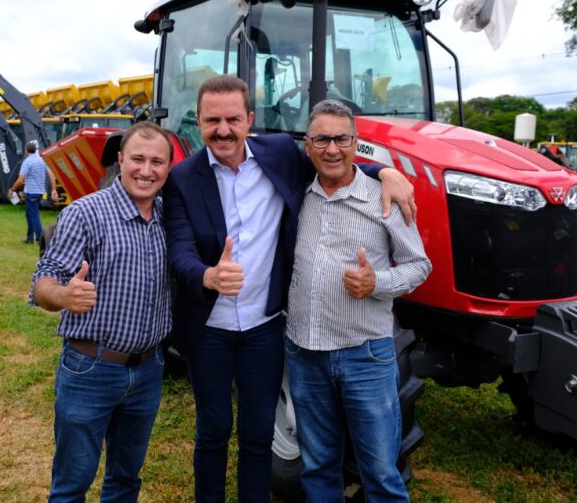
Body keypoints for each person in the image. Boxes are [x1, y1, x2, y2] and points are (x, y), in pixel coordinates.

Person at [162, 75, 416, 503]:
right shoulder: (182, 177)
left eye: (232, 119)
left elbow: (332, 160)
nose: (223, 130)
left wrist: (385, 171)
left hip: (263, 327)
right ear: (199, 121)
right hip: (209, 327)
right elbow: (179, 246)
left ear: (249, 119)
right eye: (212, 120)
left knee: (259, 433)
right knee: (213, 429)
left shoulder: (279, 153)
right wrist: (206, 276)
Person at [285, 100, 431, 502]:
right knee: (317, 468)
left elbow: (419, 265)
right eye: (322, 140)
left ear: (356, 143)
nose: (332, 149)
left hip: (365, 356)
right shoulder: (297, 196)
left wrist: (376, 282)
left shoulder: (383, 199)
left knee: (380, 473)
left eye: (341, 139)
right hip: (305, 354)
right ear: (308, 146)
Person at [29, 122, 173, 502]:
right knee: (71, 484)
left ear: (168, 168)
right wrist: (63, 295)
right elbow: (43, 281)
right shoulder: (86, 213)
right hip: (91, 368)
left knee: (125, 478)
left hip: (148, 369)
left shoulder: (170, 217)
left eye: (157, 162)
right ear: (120, 160)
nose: (146, 170)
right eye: (138, 159)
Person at [9, 141, 59, 244]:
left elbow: (20, 179)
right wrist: (54, 189)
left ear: (26, 150)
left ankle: (41, 239)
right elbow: (51, 174)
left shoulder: (27, 162)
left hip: (31, 192)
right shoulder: (42, 160)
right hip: (39, 192)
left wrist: (12, 189)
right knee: (29, 214)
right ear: (36, 150)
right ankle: (29, 237)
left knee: (34, 215)